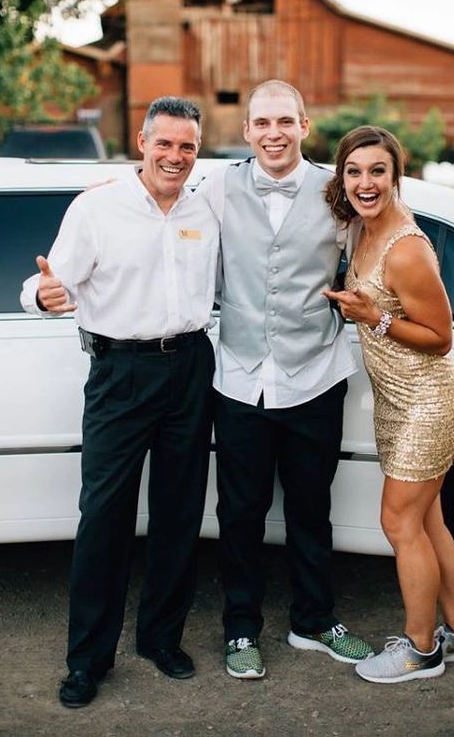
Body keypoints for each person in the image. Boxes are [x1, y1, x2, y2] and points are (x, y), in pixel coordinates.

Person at [20, 97, 219, 707]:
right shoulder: (97, 206)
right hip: (120, 374)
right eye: (165, 144)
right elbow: (45, 281)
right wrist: (42, 296)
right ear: (141, 142)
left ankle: (161, 639)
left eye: (187, 146)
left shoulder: (207, 207)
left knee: (180, 512)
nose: (175, 157)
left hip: (190, 366)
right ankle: (87, 661)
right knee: (104, 518)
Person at [196, 80, 373, 679]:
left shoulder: (337, 191)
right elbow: (158, 204)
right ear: (246, 131)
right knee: (240, 511)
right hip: (240, 378)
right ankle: (241, 629)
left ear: (304, 126)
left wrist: (368, 303)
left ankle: (315, 621)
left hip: (315, 374)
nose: (274, 134)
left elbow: (376, 249)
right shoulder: (217, 185)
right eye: (262, 123)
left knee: (310, 506)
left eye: (285, 122)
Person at [323, 125, 454, 685]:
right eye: (354, 172)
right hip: (395, 398)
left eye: (378, 172)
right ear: (342, 177)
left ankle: (420, 650)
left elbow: (441, 337)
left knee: (397, 522)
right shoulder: (363, 228)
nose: (365, 183)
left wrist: (375, 318)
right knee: (427, 519)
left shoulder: (406, 247)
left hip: (429, 397)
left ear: (396, 176)